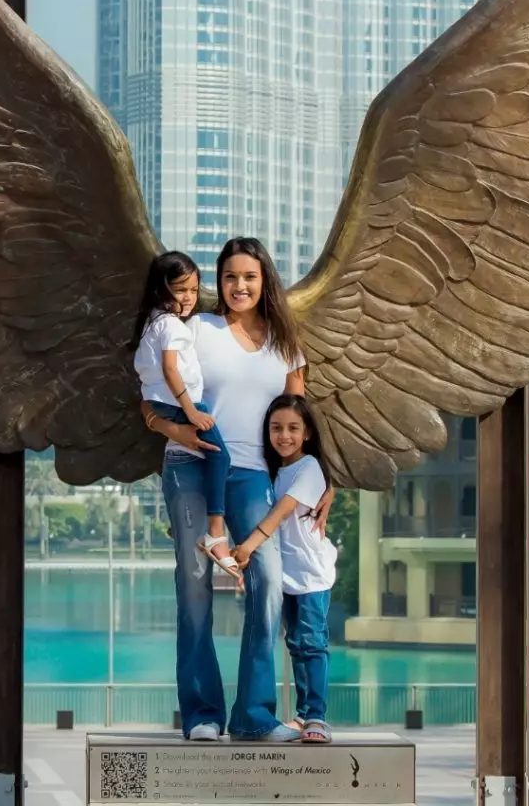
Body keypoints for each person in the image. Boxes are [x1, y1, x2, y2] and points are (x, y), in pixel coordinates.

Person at [141, 237, 333, 743]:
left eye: (249, 276)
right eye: (230, 277)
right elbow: (149, 406)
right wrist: (178, 432)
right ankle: (202, 713)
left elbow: (298, 425)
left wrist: (323, 482)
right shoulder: (194, 329)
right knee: (195, 583)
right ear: (218, 282)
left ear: (264, 279)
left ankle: (254, 716)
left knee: (269, 579)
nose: (239, 286)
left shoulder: (287, 344)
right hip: (190, 466)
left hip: (253, 476)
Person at [232, 394, 337, 744]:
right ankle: (304, 715)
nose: (284, 435)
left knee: (311, 643)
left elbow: (282, 511)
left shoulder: (309, 467)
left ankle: (317, 717)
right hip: (283, 574)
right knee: (294, 644)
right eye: (276, 428)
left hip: (309, 574)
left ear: (307, 432)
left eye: (293, 428)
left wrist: (248, 545)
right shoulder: (272, 470)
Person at [130, 251, 240, 580]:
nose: (189, 297)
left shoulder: (152, 321)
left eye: (194, 290)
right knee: (220, 458)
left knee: (207, 459)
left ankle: (182, 523)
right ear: (163, 289)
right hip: (181, 407)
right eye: (181, 290)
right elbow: (170, 368)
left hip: (162, 406)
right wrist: (191, 410)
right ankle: (216, 535)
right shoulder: (172, 326)